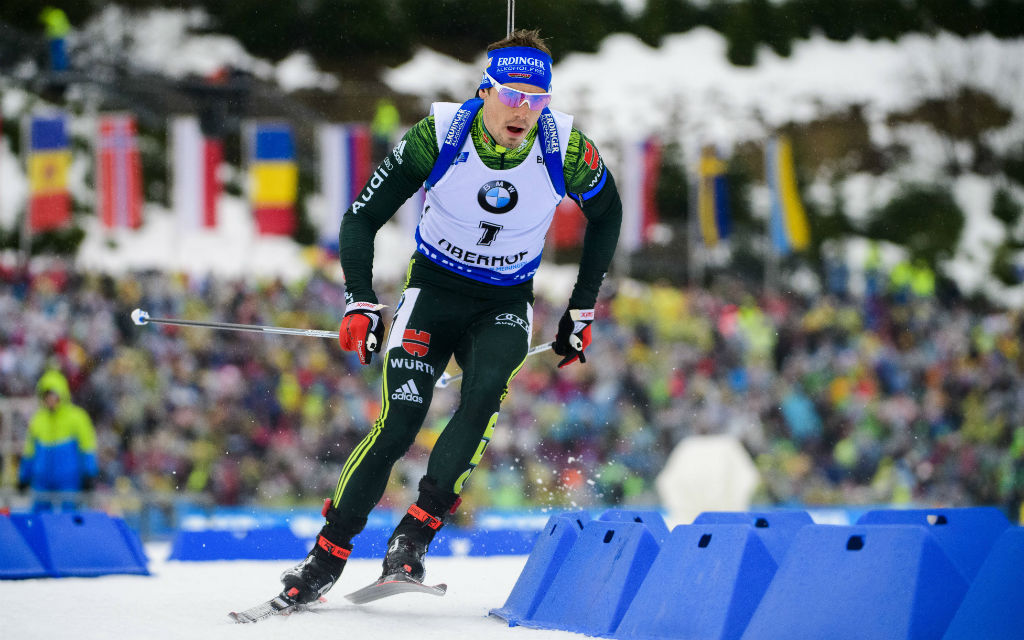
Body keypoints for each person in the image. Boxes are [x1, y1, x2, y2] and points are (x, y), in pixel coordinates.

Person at [278, 29, 622, 604]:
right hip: (432, 291)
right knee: (400, 420)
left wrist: (580, 307)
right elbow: (360, 219)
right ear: (484, 90)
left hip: (504, 303)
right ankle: (326, 556)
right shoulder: (440, 134)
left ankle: (413, 538)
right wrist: (360, 300)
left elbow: (607, 215)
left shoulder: (564, 147)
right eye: (511, 95)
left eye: (536, 100)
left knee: (485, 393)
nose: (523, 111)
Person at [18, 369, 99, 511]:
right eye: (46, 395)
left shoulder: (77, 417)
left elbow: (87, 447)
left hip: (69, 479)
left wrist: (89, 473)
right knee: (39, 519)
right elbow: (30, 451)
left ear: (62, 394)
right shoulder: (38, 420)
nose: (50, 400)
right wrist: (24, 476)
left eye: (53, 395)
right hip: (42, 480)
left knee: (70, 517)